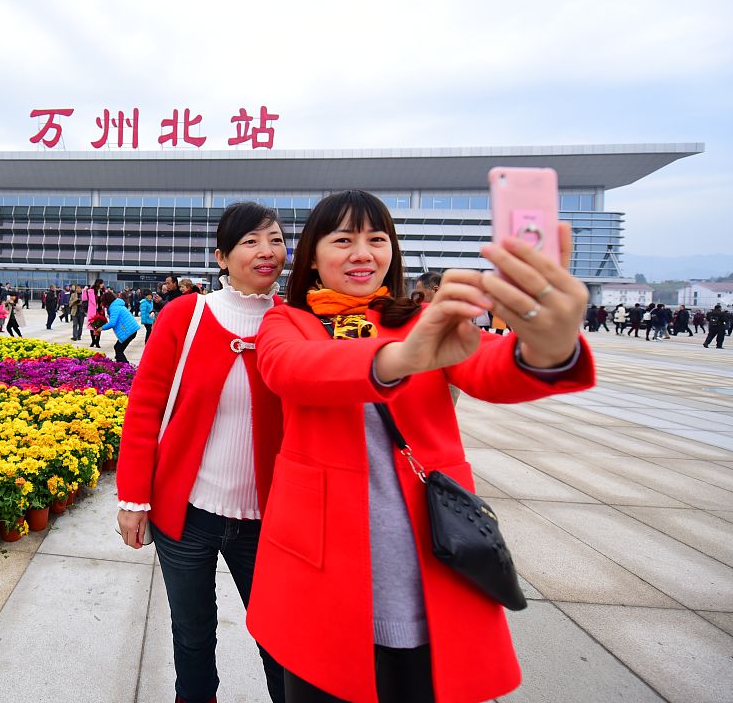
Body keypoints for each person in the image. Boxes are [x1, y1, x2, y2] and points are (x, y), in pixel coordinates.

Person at [246, 190, 594, 703]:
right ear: (313, 259)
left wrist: (549, 344)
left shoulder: (416, 320)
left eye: (377, 239)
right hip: (320, 558)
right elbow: (291, 372)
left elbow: (488, 367)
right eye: (343, 240)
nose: (363, 253)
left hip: (418, 554)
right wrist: (401, 358)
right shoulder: (287, 321)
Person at [117, 202, 290, 703]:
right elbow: (145, 408)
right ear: (222, 256)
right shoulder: (185, 316)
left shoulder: (296, 324)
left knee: (281, 643)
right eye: (251, 241)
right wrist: (133, 499)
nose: (267, 251)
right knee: (193, 639)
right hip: (187, 515)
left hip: (268, 521)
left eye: (276, 240)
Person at [99, 290, 140, 363]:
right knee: (118, 349)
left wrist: (101, 328)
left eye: (103, 302)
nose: (102, 304)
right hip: (131, 330)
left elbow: (112, 323)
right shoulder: (116, 305)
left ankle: (126, 367)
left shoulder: (114, 307)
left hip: (128, 331)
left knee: (118, 349)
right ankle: (120, 364)